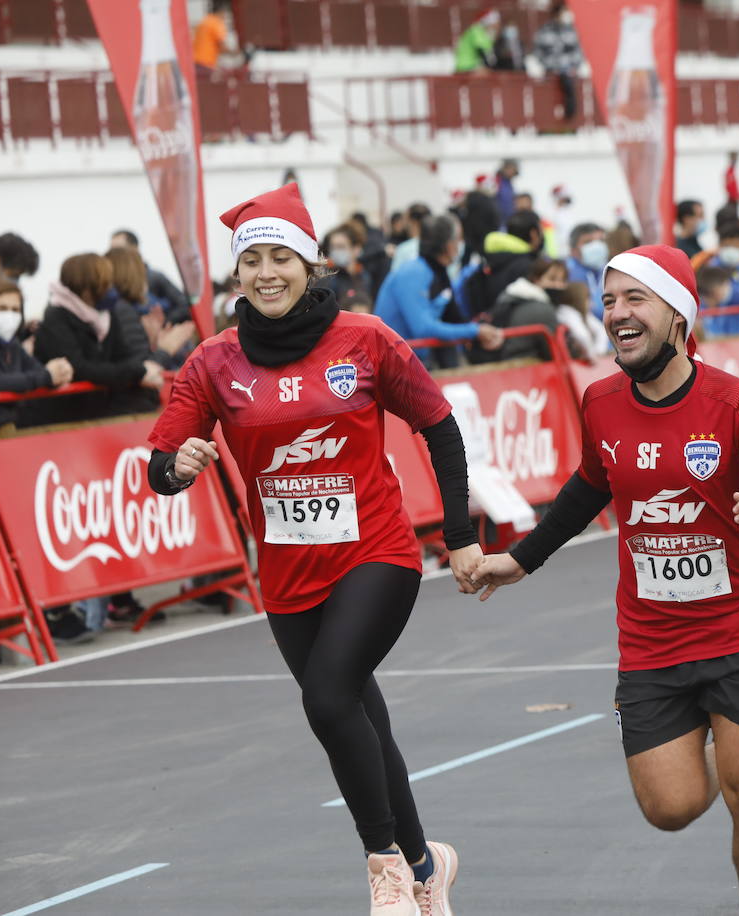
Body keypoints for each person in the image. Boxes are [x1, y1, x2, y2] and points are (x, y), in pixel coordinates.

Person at [147, 182, 473, 915]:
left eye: (281, 258)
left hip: (376, 552)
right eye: (252, 259)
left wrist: (460, 537)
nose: (267, 272)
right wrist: (179, 467)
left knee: (327, 697)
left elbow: (440, 427)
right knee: (359, 714)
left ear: (311, 263)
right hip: (288, 570)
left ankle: (383, 864)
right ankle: (429, 869)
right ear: (237, 274)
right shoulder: (213, 363)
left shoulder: (364, 340)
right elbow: (160, 465)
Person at [470, 244, 739, 916]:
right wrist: (523, 557)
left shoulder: (735, 403)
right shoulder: (600, 399)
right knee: (671, 808)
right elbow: (587, 487)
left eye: (635, 300)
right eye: (608, 302)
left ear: (678, 316)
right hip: (653, 639)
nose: (618, 315)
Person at [26, 253, 165, 426]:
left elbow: (123, 355)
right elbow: (79, 367)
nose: (111, 290)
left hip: (97, 411)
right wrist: (137, 372)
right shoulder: (56, 316)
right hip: (59, 418)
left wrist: (142, 369)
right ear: (85, 289)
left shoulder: (107, 314)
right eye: (104, 285)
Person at [375, 213, 503, 369]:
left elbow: (453, 317)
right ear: (449, 245)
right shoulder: (413, 273)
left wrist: (479, 333)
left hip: (414, 361)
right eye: (459, 239)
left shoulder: (438, 272)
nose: (461, 244)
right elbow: (423, 328)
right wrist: (474, 331)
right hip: (396, 366)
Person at [0, 280, 72, 435]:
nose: (9, 314)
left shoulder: (12, 343)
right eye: (2, 308)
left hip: (15, 418)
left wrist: (59, 373)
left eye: (15, 309)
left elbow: (38, 370)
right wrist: (47, 376)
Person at [488, 257, 567, 362]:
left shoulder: (511, 296)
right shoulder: (543, 308)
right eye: (552, 279)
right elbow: (556, 351)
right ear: (536, 279)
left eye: (563, 281)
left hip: (505, 364)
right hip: (526, 367)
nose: (558, 285)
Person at [109, 229, 192, 323]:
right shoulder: (111, 282)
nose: (114, 254)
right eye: (112, 249)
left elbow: (183, 304)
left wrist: (164, 323)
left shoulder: (155, 277)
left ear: (135, 248)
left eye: (119, 249)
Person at [533, 2, 582, 123]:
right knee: (547, 96)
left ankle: (570, 118)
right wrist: (549, 64)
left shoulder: (571, 31)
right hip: (550, 71)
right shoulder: (545, 31)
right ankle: (546, 122)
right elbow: (538, 52)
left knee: (569, 89)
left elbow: (578, 51)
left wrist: (573, 65)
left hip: (567, 71)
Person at [315, 224, 373, 309]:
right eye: (333, 247)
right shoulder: (326, 277)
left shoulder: (364, 277)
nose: (335, 251)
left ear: (356, 249)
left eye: (341, 247)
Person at [565, 222, 609, 319]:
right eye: (588, 242)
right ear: (573, 250)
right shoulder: (566, 273)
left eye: (601, 241)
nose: (597, 247)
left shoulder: (609, 270)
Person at [454, 9, 499, 73]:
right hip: (466, 66)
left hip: (472, 65)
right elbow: (481, 50)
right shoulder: (476, 30)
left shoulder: (483, 33)